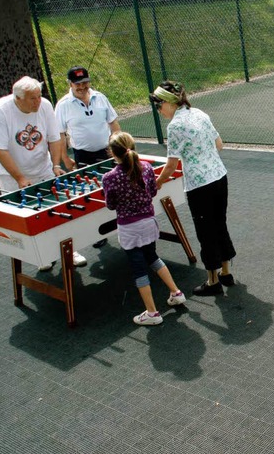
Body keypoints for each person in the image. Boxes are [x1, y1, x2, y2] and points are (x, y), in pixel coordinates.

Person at [0, 75, 87, 269]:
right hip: (11, 173)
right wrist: (20, 178)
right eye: (33, 98)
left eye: (39, 96)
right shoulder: (0, 110)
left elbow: (54, 137)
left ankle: (69, 250)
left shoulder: (45, 105)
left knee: (58, 209)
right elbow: (0, 150)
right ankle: (40, 258)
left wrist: (56, 165)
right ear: (18, 98)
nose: (38, 101)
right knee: (23, 218)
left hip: (42, 166)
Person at [151, 81, 236, 295]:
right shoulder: (199, 113)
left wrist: (157, 183)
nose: (159, 110)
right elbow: (219, 144)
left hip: (200, 186)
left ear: (169, 102)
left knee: (205, 231)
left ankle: (212, 281)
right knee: (219, 224)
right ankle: (226, 272)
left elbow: (171, 165)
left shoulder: (175, 126)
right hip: (219, 177)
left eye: (159, 105)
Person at [101, 131, 185, 325]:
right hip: (149, 222)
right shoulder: (146, 167)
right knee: (153, 257)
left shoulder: (109, 177)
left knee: (139, 269)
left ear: (113, 153)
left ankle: (152, 313)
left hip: (129, 229)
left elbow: (111, 205)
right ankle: (176, 292)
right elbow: (153, 190)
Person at [54, 66, 120, 249]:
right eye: (78, 84)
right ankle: (96, 234)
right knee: (90, 195)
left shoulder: (101, 97)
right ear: (70, 84)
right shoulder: (63, 105)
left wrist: (121, 147)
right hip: (83, 155)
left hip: (107, 151)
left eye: (85, 82)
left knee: (115, 187)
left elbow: (113, 122)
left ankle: (122, 222)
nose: (82, 87)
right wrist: (65, 159)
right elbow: (59, 134)